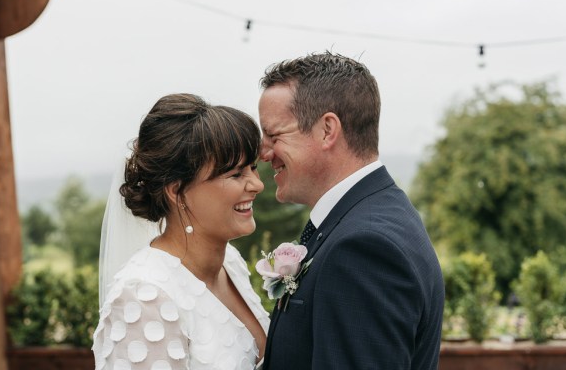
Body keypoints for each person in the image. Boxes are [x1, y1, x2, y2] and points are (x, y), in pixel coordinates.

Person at [257, 53, 444, 369]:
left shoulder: (363, 247)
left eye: (274, 135)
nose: (263, 153)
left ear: (328, 130)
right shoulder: (373, 216)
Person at [93, 93, 269, 370]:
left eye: (253, 168)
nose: (257, 185)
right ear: (177, 191)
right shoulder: (144, 296)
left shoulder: (230, 262)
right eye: (236, 174)